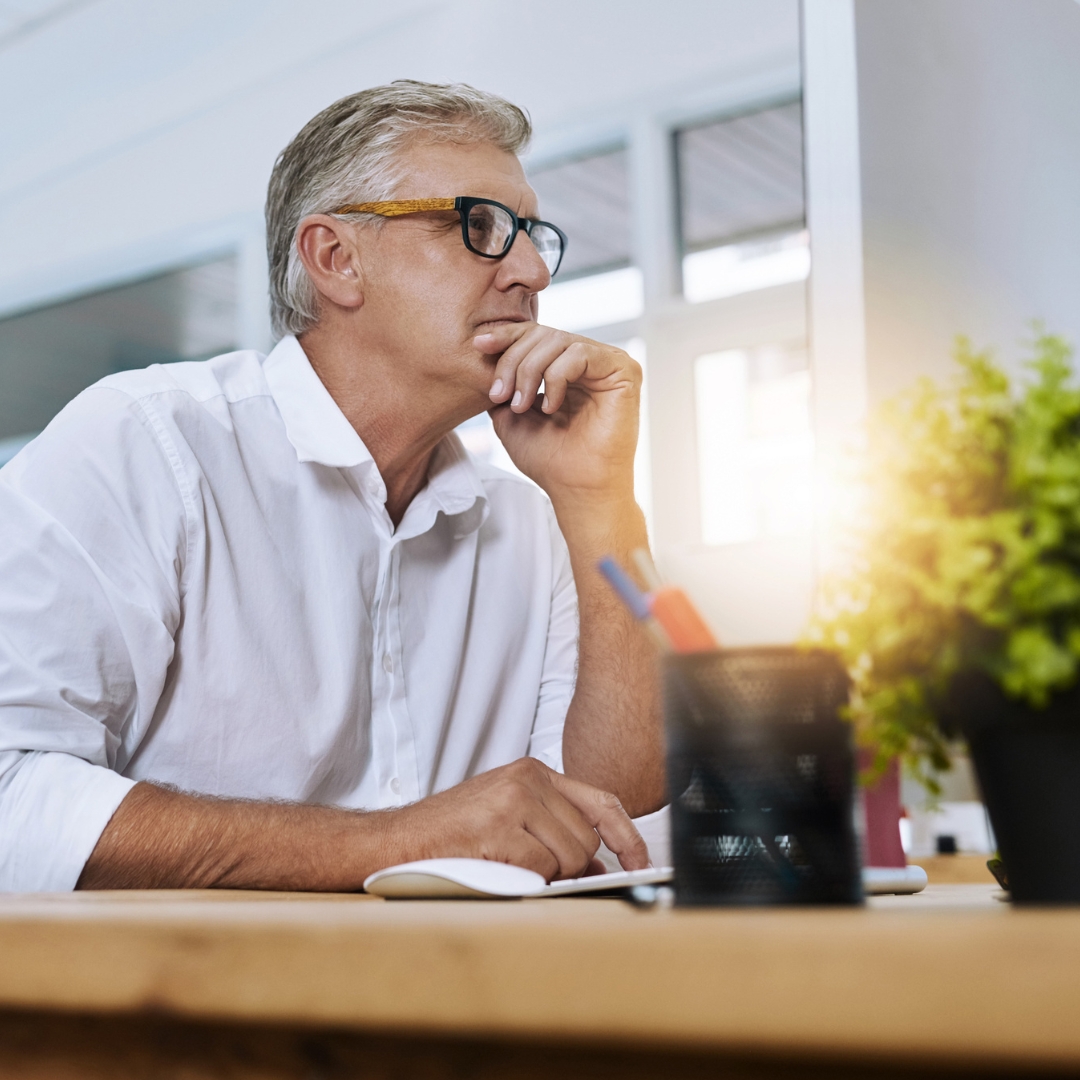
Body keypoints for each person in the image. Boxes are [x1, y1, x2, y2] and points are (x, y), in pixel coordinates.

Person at [0, 81, 664, 893]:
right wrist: (398, 841)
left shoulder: (533, 519)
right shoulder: (147, 443)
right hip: (181, 1009)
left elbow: (614, 817)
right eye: (481, 227)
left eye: (529, 234)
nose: (529, 271)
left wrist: (602, 502)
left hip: (459, 1005)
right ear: (336, 258)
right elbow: (10, 796)